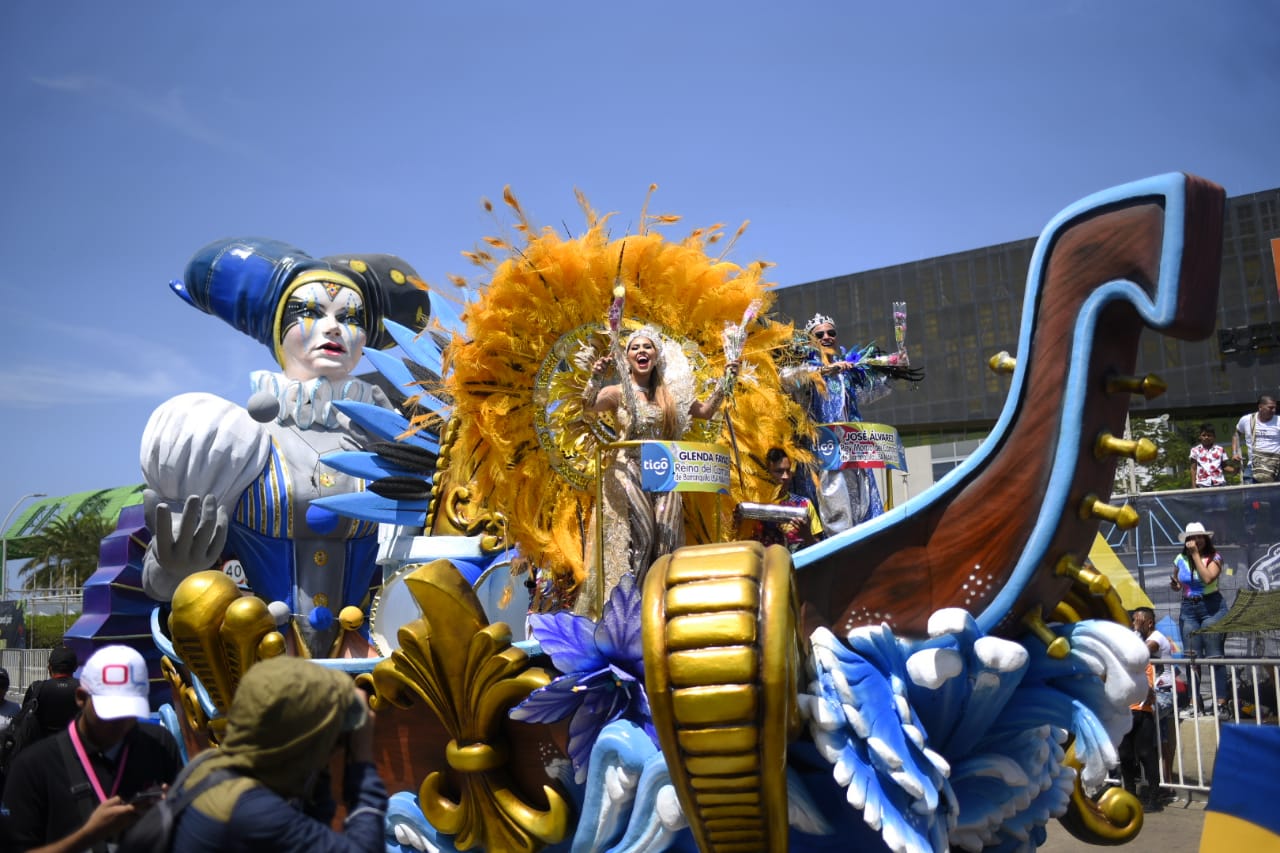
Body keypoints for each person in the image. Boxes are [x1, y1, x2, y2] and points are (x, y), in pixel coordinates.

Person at [140, 239, 431, 658]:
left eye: (350, 318)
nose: (333, 328)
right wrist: (176, 568)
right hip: (262, 659)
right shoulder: (230, 436)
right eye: (310, 312)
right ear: (280, 331)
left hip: (364, 659)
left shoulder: (389, 439)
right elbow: (160, 578)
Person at [580, 327, 737, 609]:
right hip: (628, 472)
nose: (642, 351)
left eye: (647, 347)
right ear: (626, 357)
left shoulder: (670, 396)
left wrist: (728, 379)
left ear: (656, 355)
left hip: (664, 474)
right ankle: (631, 610)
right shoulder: (617, 392)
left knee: (666, 539)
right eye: (635, 348)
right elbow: (588, 407)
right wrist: (595, 377)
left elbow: (705, 412)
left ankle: (662, 605)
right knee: (643, 538)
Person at [170, 656, 387, 852]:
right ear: (299, 739)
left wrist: (319, 758)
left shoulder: (209, 766)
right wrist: (363, 758)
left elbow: (315, 823)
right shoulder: (253, 813)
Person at [2, 645, 180, 852]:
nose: (119, 722)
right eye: (108, 711)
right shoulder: (33, 767)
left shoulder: (159, 745)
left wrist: (174, 811)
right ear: (81, 698)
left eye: (128, 710)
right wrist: (89, 835)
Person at [780, 314, 898, 534]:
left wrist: (894, 368)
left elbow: (870, 391)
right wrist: (823, 371)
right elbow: (785, 379)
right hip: (822, 455)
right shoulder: (805, 371)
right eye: (820, 334)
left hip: (851, 452)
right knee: (832, 512)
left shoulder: (846, 373)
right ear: (810, 340)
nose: (826, 337)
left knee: (861, 506)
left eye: (831, 333)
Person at [1169, 521, 1230, 717]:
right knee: (1191, 657)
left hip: (1211, 607)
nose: (1196, 541)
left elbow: (1207, 579)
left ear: (1205, 539)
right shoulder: (1180, 558)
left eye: (1199, 537)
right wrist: (1176, 585)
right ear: (1186, 540)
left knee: (1215, 656)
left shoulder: (1215, 557)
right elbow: (1179, 581)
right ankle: (1195, 703)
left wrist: (1195, 555)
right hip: (1189, 608)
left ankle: (1221, 703)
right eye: (1192, 538)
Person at [735, 447, 824, 552]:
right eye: (779, 471)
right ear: (766, 473)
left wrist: (807, 535)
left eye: (788, 471)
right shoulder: (751, 505)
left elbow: (819, 550)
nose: (785, 476)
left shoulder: (804, 504)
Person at [1232, 395, 1279, 483]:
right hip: (1253, 466)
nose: (1274, 410)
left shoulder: (1279, 421)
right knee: (1250, 495)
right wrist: (1235, 453)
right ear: (1260, 407)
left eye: (1275, 408)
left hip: (1275, 467)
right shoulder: (1247, 420)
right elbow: (1236, 434)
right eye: (1270, 408)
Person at [1190, 423, 1227, 488]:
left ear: (1214, 437)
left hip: (1219, 484)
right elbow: (1193, 469)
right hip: (1203, 484)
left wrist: (1236, 469)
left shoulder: (1220, 449)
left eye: (1209, 435)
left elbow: (1225, 466)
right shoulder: (1195, 450)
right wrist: (1194, 486)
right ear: (1200, 436)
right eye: (1204, 435)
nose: (1206, 437)